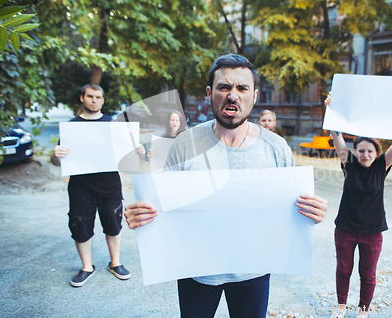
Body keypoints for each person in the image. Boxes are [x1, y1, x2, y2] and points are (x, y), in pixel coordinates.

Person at [124, 54, 328, 318]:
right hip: (196, 271)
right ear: (210, 93)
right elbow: (165, 207)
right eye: (224, 87)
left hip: (253, 271)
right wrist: (142, 216)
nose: (233, 95)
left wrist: (312, 212)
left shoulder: (276, 148)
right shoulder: (185, 144)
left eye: (242, 88)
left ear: (254, 95)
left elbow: (290, 210)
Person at [325, 94, 392, 318]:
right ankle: (341, 307)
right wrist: (331, 109)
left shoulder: (382, 166)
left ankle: (363, 311)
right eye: (361, 150)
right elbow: (336, 134)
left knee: (367, 274)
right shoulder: (349, 163)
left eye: (370, 151)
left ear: (377, 153)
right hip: (346, 228)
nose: (365, 154)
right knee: (343, 270)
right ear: (355, 151)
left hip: (372, 231)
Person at [51, 83, 144, 287]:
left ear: (103, 100)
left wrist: (138, 152)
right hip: (80, 185)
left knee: (113, 224)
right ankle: (87, 267)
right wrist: (55, 156)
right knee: (81, 225)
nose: (94, 100)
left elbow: (127, 158)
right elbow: (58, 162)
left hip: (109, 184)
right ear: (82, 98)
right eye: (90, 96)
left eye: (98, 97)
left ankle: (116, 263)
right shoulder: (71, 127)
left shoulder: (114, 125)